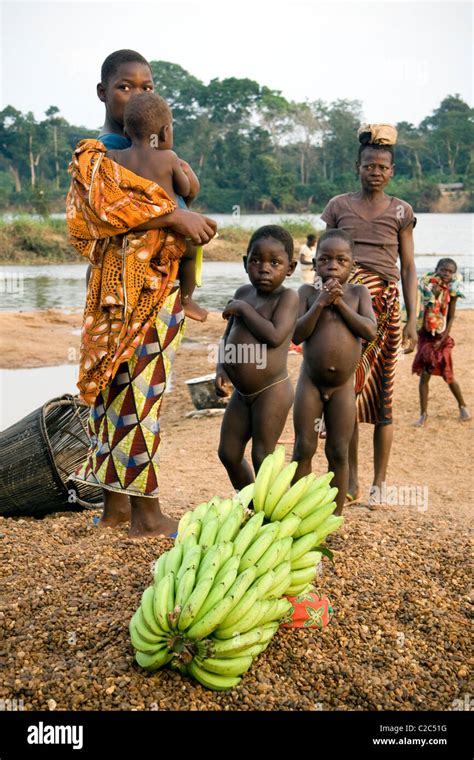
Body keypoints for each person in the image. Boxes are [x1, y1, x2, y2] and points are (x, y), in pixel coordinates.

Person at [67, 50, 216, 538]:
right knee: (134, 399)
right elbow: (98, 216)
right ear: (102, 93)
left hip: (155, 290)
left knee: (124, 396)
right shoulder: (94, 156)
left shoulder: (150, 150)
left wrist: (179, 210)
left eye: (146, 86)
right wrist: (175, 216)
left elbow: (180, 195)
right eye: (125, 86)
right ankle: (144, 515)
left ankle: (115, 511)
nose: (138, 95)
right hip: (122, 297)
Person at [321, 123, 418, 508]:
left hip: (386, 311)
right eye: (368, 166)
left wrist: (412, 318)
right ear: (357, 167)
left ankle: (379, 481)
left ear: (391, 171)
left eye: (382, 167)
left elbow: (408, 267)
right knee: (349, 392)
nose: (375, 172)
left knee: (382, 397)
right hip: (345, 307)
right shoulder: (338, 206)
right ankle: (352, 478)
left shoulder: (401, 211)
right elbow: (325, 258)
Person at [291, 229, 377, 515]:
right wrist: (321, 302)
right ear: (315, 264)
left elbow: (370, 331)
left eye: (341, 260)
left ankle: (333, 516)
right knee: (304, 447)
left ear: (353, 265)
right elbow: (296, 334)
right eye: (325, 259)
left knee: (338, 452)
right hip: (311, 384)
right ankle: (297, 512)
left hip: (342, 387)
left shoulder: (358, 293)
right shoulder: (306, 293)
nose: (333, 265)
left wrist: (339, 303)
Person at [107, 91, 208, 322]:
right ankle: (187, 299)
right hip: (170, 233)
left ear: (125, 132)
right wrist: (187, 173)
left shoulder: (114, 157)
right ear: (165, 132)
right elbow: (185, 189)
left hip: (136, 231)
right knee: (191, 253)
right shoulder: (169, 157)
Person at [215, 225, 298, 490]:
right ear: (245, 262)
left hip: (272, 390)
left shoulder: (287, 297)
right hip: (242, 393)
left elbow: (274, 336)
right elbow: (228, 332)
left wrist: (243, 309)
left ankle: (275, 513)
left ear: (291, 267)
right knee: (228, 452)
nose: (264, 268)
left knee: (262, 455)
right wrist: (222, 368)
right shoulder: (243, 293)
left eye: (275, 262)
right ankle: (250, 503)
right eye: (256, 260)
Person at [412, 258, 470, 426]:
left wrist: (443, 338)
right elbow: (419, 310)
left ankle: (463, 406)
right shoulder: (426, 286)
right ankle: (423, 414)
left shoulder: (452, 291)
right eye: (444, 270)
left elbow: (450, 317)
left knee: (448, 374)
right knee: (424, 374)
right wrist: (433, 296)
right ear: (436, 269)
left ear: (454, 274)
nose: (446, 274)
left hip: (441, 337)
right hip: (425, 336)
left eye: (450, 272)